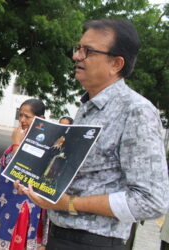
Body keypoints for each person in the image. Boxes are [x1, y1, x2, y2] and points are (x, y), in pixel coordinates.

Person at [16, 18, 169, 250]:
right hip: (61, 235)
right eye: (78, 48)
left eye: (88, 51)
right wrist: (35, 183)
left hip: (94, 242)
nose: (77, 56)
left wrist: (70, 204)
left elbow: (152, 201)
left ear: (116, 63)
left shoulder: (136, 111)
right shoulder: (88, 108)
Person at [0, 99, 48, 250]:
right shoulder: (20, 137)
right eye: (20, 115)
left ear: (41, 119)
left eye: (27, 116)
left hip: (21, 207)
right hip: (2, 205)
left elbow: (22, 170)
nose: (22, 120)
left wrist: (15, 144)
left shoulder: (41, 144)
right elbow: (7, 164)